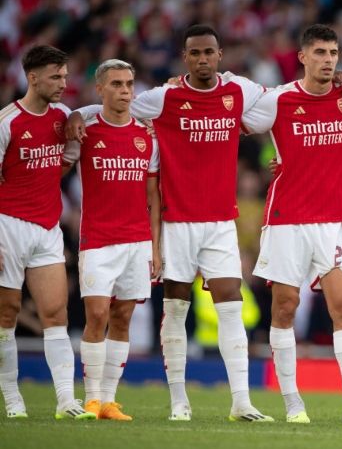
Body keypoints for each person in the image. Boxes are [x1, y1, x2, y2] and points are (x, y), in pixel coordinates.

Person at [67, 25, 271, 422]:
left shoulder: (239, 91)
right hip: (177, 221)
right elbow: (115, 107)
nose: (203, 60)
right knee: (176, 309)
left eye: (209, 52)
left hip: (220, 221)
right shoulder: (165, 98)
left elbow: (278, 104)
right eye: (195, 53)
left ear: (220, 53)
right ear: (185, 57)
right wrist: (78, 112)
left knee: (231, 303)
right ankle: (179, 400)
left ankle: (241, 401)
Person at [243, 24, 342, 425]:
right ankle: (293, 405)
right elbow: (230, 123)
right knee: (284, 308)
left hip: (331, 223)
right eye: (319, 52)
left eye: (333, 52)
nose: (328, 60)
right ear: (302, 57)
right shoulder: (279, 100)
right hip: (286, 220)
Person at [62, 59, 161, 421]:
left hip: (137, 241)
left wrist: (155, 246)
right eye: (117, 84)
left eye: (129, 84)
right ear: (100, 89)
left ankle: (108, 400)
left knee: (122, 317)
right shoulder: (85, 131)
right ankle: (90, 397)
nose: (125, 91)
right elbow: (58, 168)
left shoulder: (147, 136)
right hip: (98, 239)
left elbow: (153, 196)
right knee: (97, 315)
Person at [0, 45, 95, 420]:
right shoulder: (7, 122)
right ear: (32, 77)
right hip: (7, 225)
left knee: (56, 314)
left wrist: (72, 113)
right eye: (55, 77)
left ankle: (65, 401)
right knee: (6, 314)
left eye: (65, 76)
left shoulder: (62, 118)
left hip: (47, 227)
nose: (63, 83)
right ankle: (12, 398)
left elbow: (68, 159)